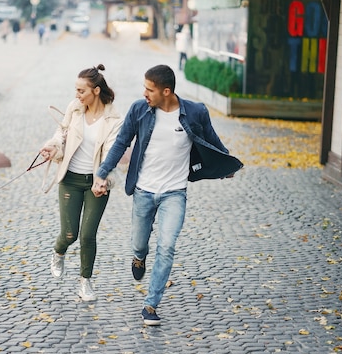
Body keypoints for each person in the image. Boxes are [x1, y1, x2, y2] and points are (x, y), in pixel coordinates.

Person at [92, 64, 243, 325]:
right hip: (143, 190)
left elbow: (212, 142)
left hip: (174, 193)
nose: (144, 93)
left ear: (166, 91)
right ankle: (139, 257)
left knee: (167, 246)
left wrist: (226, 165)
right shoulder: (140, 110)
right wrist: (102, 172)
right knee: (139, 243)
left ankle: (150, 305)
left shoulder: (195, 112)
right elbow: (122, 142)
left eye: (149, 89)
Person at [39, 64, 123, 302]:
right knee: (69, 234)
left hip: (97, 183)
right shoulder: (74, 109)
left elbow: (111, 151)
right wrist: (52, 147)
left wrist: (103, 179)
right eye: (75, 90)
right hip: (71, 179)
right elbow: (61, 134)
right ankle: (58, 252)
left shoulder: (114, 118)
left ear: (96, 91)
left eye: (81, 91)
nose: (77, 95)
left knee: (87, 235)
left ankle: (85, 282)